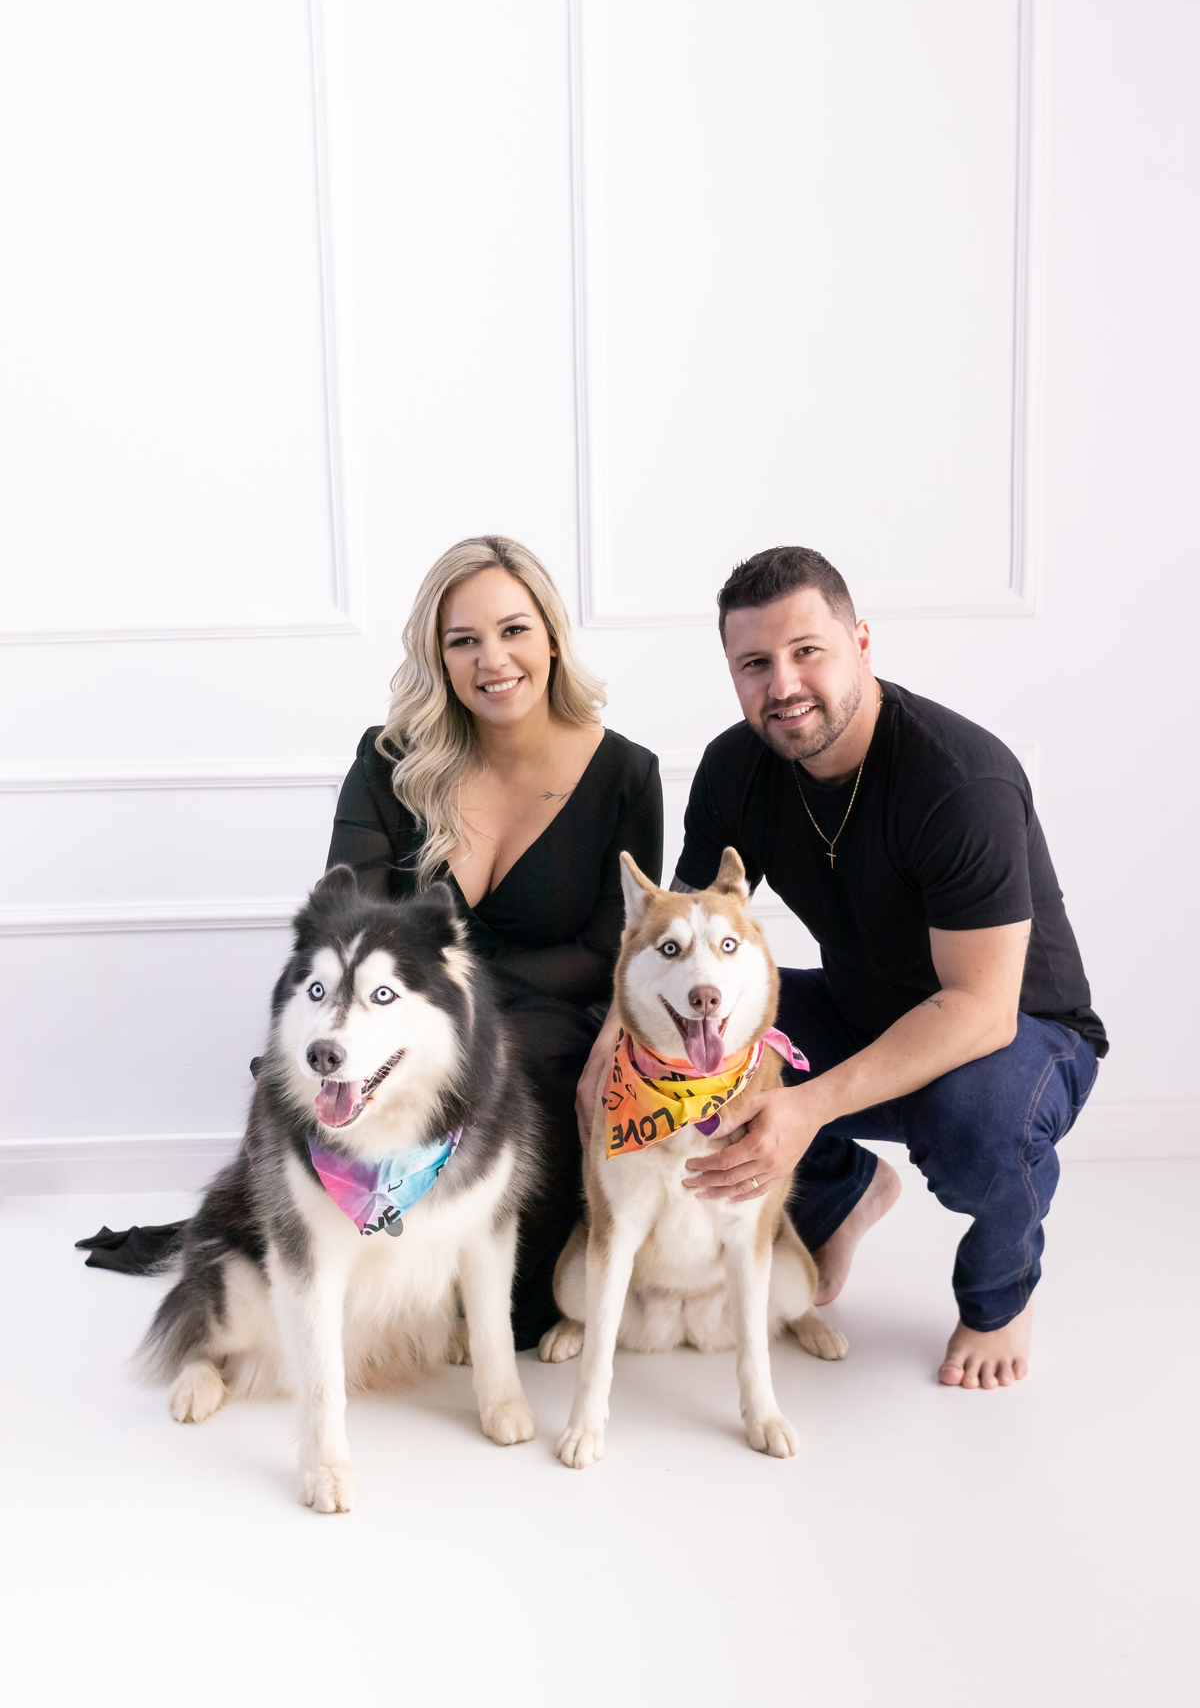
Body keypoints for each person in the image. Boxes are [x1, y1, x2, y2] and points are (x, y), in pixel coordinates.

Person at [575, 545, 1104, 1390]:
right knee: (702, 1041)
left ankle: (1000, 1296)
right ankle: (844, 1193)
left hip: (1016, 1036)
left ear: (861, 643)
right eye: (755, 663)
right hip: (863, 1009)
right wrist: (614, 1048)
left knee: (974, 1118)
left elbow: (982, 1009)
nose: (782, 683)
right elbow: (670, 933)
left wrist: (805, 1109)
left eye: (806, 651)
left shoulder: (957, 780)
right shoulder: (737, 767)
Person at [328, 535, 662, 1349]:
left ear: (551, 634)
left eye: (513, 630)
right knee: (321, 1069)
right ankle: (364, 1285)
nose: (493, 659)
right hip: (399, 1016)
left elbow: (606, 948)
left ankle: (496, 1301)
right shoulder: (388, 764)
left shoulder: (627, 775)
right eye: (463, 640)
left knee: (517, 1058)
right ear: (438, 658)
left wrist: (458, 997)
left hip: (552, 1021)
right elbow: (348, 926)